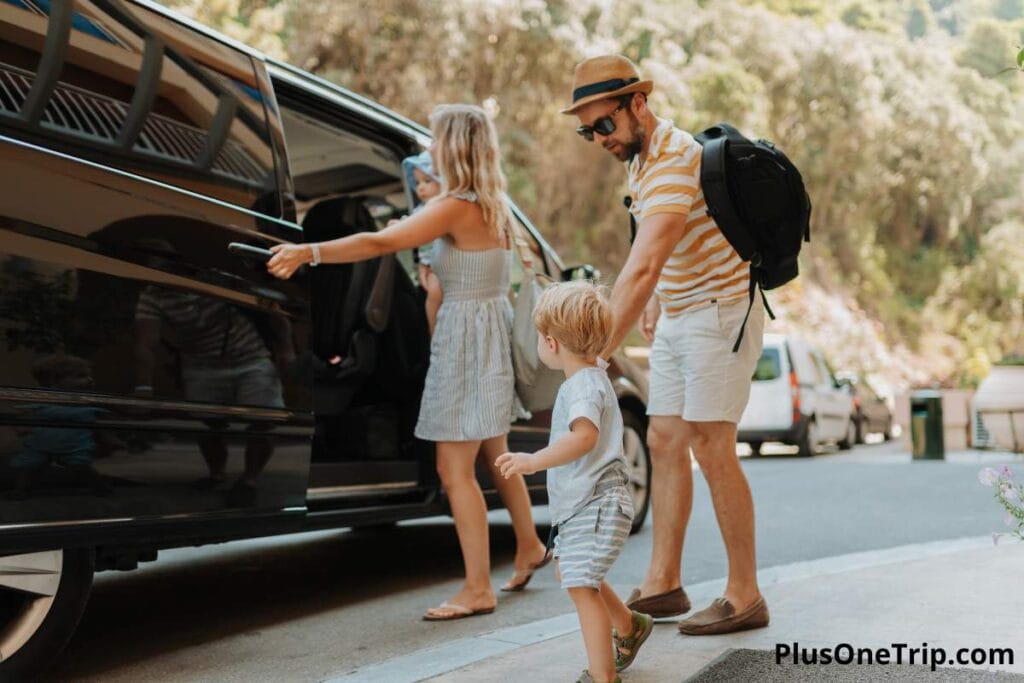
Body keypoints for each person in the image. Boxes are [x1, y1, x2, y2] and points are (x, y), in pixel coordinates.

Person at [267, 104, 548, 620]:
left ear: (454, 146)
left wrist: (309, 252)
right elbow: (453, 267)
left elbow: (379, 242)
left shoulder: (455, 206)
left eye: (436, 139)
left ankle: (478, 588)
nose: (430, 148)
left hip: (466, 343)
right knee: (496, 453)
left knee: (452, 468)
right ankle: (529, 544)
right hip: (488, 335)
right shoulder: (491, 205)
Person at [563, 55, 769, 635]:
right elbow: (663, 249)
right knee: (663, 439)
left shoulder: (674, 159)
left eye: (605, 124)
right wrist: (658, 300)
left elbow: (642, 265)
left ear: (638, 104)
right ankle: (664, 583)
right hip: (681, 314)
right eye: (588, 131)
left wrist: (595, 353)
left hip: (720, 312)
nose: (599, 138)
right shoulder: (641, 160)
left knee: (712, 444)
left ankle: (746, 593)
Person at [497, 282, 653, 683]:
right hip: (586, 503)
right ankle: (629, 626)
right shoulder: (592, 375)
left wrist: (533, 460)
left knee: (581, 586)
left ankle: (603, 677)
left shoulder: (582, 385)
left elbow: (583, 437)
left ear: (551, 343)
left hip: (596, 504)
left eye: (539, 336)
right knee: (575, 575)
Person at [400, 151, 445, 336]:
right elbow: (411, 225)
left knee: (434, 293)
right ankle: (434, 333)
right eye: (417, 183)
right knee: (432, 295)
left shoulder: (443, 208)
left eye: (427, 181)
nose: (421, 188)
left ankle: (435, 334)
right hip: (429, 265)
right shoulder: (421, 210)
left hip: (443, 265)